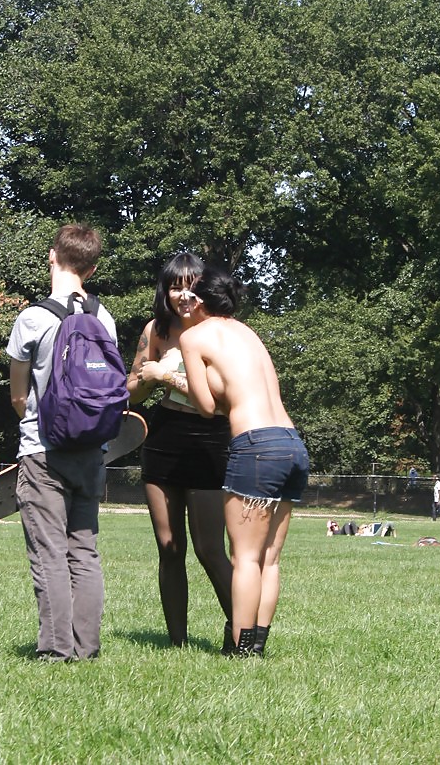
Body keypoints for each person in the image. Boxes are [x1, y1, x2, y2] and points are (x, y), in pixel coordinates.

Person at [179, 266, 309, 658]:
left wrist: (167, 378)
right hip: (291, 445)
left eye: (190, 295)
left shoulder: (193, 336)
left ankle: (240, 648)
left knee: (245, 557)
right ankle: (257, 645)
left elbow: (204, 406)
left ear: (200, 300)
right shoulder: (248, 333)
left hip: (255, 447)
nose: (184, 300)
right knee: (269, 558)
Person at [6, 223, 117, 662]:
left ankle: (55, 649)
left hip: (44, 450)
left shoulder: (33, 318)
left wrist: (35, 421)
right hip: (92, 450)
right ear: (91, 268)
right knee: (84, 550)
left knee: (50, 552)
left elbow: (18, 393)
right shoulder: (103, 317)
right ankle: (86, 648)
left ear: (52, 256)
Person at [126, 253, 232, 648]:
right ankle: (177, 643)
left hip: (210, 441)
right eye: (175, 285)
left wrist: (168, 375)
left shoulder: (222, 330)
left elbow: (223, 401)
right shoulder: (157, 329)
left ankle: (242, 631)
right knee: (170, 548)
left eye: (190, 284)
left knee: (208, 548)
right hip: (164, 438)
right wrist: (148, 379)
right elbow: (132, 391)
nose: (183, 294)